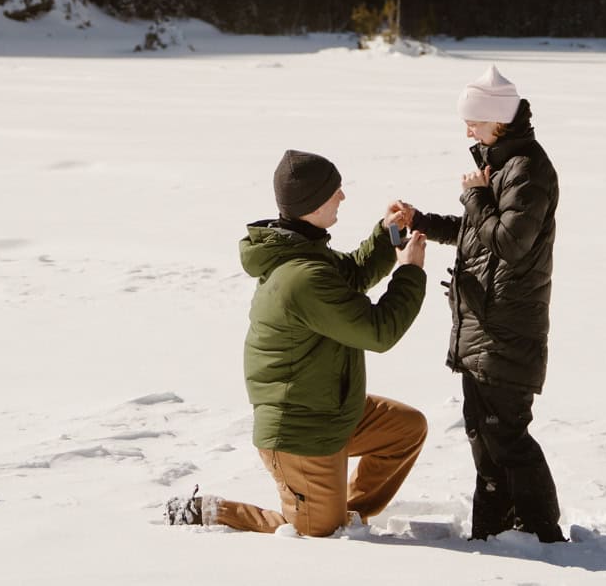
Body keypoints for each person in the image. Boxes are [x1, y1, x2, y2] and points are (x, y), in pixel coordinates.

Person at [166, 148, 430, 536]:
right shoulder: (303, 277)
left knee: (405, 429)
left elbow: (353, 273)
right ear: (313, 204)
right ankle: (210, 510)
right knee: (314, 532)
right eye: (335, 191)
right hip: (299, 431)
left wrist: (386, 232)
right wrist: (410, 271)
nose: (343, 197)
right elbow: (379, 331)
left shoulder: (305, 250)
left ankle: (348, 517)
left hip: (329, 409)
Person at [388, 65, 564, 542]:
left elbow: (509, 243)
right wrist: (421, 220)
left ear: (499, 121)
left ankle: (545, 537)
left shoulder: (528, 171)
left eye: (473, 120)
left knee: (506, 436)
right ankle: (493, 532)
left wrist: (474, 196)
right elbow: (478, 232)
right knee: (483, 435)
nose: (466, 129)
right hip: (481, 323)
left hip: (506, 327)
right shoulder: (500, 163)